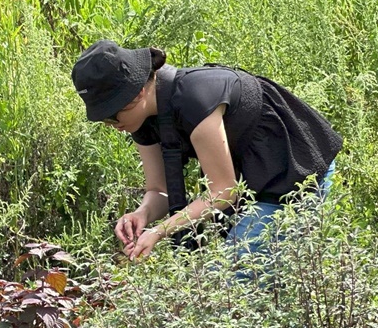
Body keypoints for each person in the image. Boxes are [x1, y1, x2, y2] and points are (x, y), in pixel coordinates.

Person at [71, 40, 342, 261]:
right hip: (253, 178)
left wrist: (159, 232)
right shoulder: (140, 120)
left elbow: (224, 191)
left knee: (234, 275)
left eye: (112, 115)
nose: (112, 125)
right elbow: (159, 190)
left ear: (138, 93)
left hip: (294, 171)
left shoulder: (195, 100)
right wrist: (142, 214)